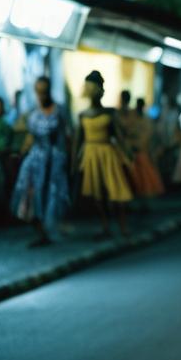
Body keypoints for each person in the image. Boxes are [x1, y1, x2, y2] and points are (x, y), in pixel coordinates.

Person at [10, 76, 72, 246]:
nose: (41, 95)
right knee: (31, 194)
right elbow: (30, 137)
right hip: (36, 160)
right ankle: (41, 231)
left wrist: (68, 159)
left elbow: (67, 136)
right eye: (38, 91)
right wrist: (20, 153)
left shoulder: (59, 111)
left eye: (44, 91)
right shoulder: (33, 114)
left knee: (51, 194)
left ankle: (50, 230)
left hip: (54, 159)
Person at [73, 70, 133, 238]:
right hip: (90, 155)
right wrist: (74, 163)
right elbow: (78, 141)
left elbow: (119, 136)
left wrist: (127, 155)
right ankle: (106, 226)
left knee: (116, 191)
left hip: (108, 155)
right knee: (98, 196)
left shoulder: (110, 113)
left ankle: (123, 226)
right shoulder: (82, 115)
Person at [125, 97, 165, 201]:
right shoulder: (132, 118)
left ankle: (143, 200)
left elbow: (149, 135)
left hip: (142, 150)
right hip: (133, 151)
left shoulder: (146, 120)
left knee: (144, 178)